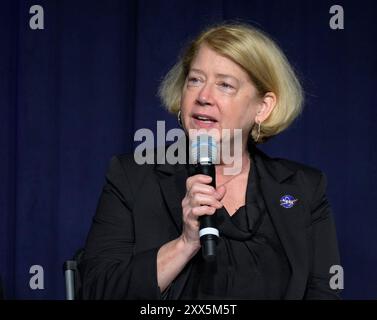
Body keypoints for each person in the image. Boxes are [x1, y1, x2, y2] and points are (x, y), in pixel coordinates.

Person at [79, 23, 341, 300]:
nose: (203, 97)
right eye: (194, 80)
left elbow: (324, 292)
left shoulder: (305, 188)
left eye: (225, 85)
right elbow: (97, 291)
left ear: (262, 107)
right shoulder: (132, 176)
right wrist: (185, 243)